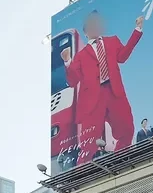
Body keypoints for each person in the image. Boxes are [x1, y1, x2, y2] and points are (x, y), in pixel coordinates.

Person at [62, 11, 144, 165]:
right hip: (92, 100)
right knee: (89, 142)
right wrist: (67, 61)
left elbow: (123, 56)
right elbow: (73, 80)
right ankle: (83, 173)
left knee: (127, 130)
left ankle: (119, 163)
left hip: (114, 92)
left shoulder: (112, 41)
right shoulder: (81, 56)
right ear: (86, 33)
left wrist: (137, 30)